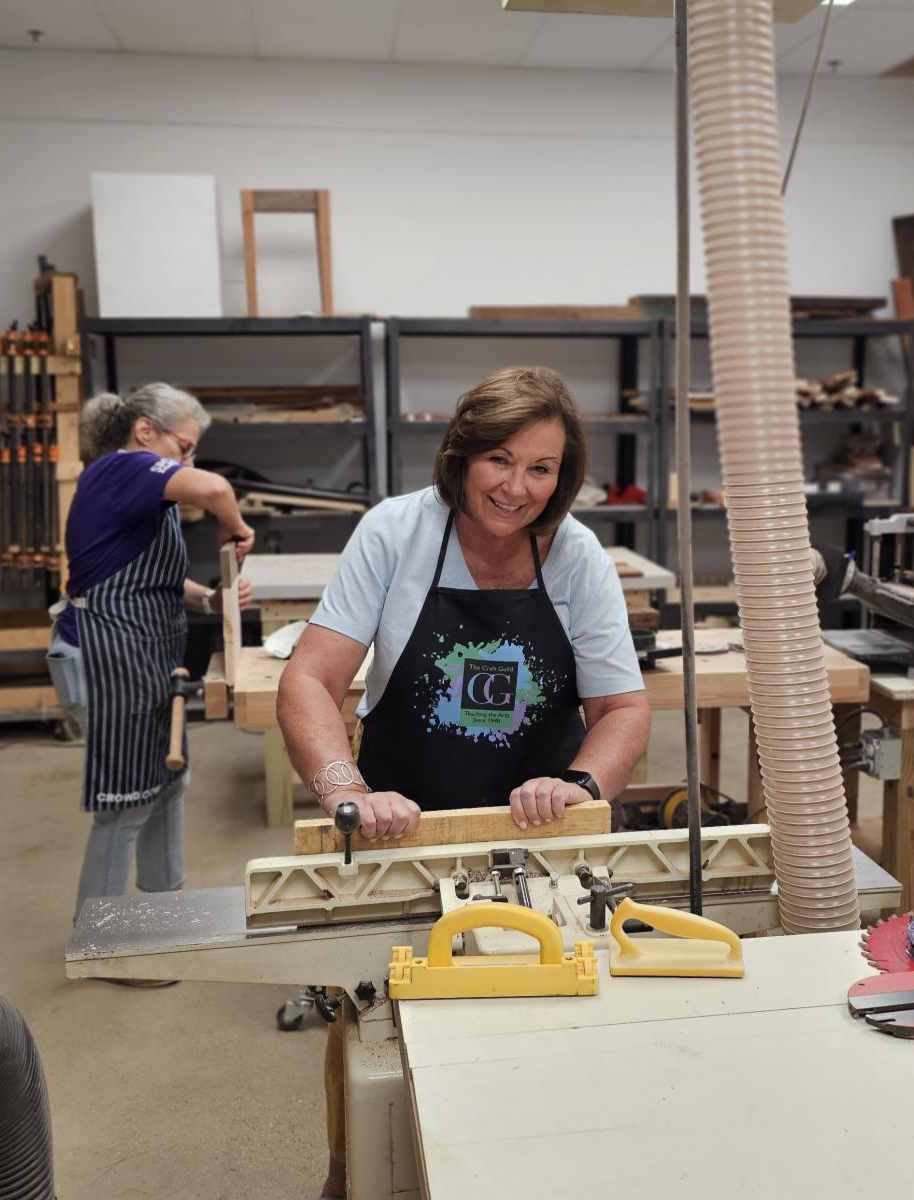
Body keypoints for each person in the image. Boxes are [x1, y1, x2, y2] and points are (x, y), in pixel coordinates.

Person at [277, 366, 649, 1199]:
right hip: (400, 832)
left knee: (540, 1036)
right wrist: (346, 790)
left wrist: (581, 785)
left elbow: (622, 708)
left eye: (541, 468)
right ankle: (350, 1177)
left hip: (535, 840)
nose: (517, 488)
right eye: (499, 460)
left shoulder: (576, 554)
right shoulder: (397, 532)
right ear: (461, 456)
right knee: (376, 1029)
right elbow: (308, 680)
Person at [47, 383, 254, 951]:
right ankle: (101, 944)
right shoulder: (122, 468)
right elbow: (215, 489)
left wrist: (211, 599)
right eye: (184, 447)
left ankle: (165, 923)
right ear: (145, 431)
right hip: (106, 659)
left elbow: (149, 579)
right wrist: (235, 526)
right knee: (126, 804)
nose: (188, 461)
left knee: (166, 787)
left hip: (146, 660)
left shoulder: (141, 491)